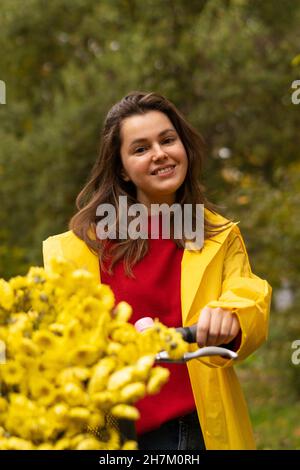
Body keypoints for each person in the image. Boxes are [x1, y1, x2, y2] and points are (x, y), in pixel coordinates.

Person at [43, 91, 272, 450]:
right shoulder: (78, 248)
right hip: (107, 435)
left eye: (167, 140)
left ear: (184, 147)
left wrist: (231, 316)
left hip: (196, 430)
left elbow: (248, 293)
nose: (160, 154)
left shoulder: (218, 235)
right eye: (140, 148)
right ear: (121, 168)